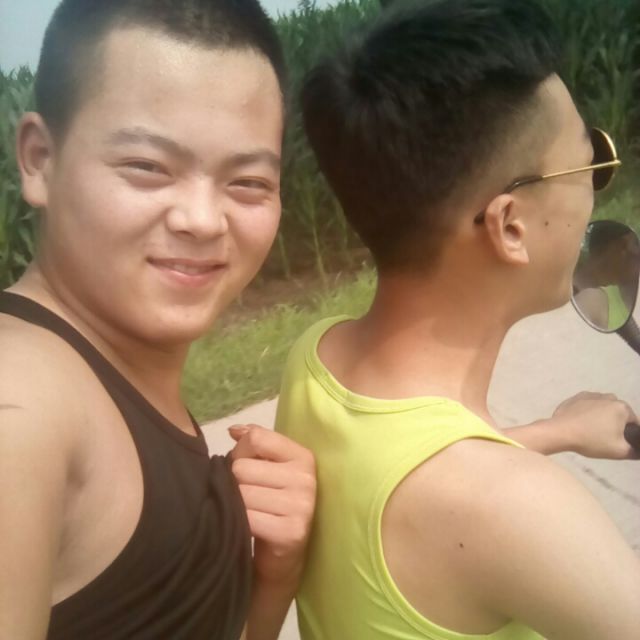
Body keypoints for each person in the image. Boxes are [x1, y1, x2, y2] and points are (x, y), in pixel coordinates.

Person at [275, 0, 640, 638]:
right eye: (593, 164)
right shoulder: (522, 512)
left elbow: (394, 475)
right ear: (510, 226)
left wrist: (556, 431)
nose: (596, 189)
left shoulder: (314, 358)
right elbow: (472, 499)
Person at [0, 1, 316, 638]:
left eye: (248, 182)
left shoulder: (120, 371)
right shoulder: (22, 409)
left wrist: (272, 576)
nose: (202, 220)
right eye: (146, 168)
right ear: (39, 158)